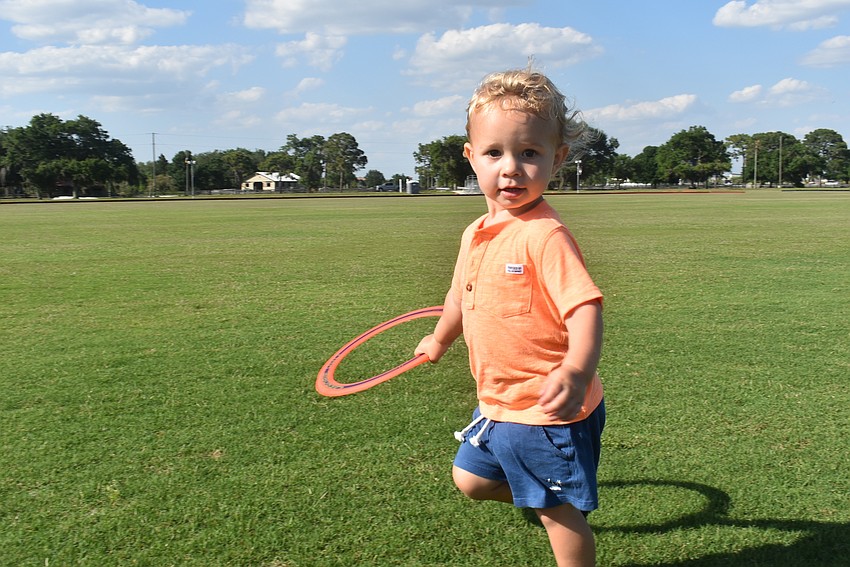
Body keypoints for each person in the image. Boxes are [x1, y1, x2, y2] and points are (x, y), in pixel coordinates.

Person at [415, 68, 605, 567]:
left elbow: (585, 307)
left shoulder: (545, 236)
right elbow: (460, 294)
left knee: (558, 515)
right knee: (472, 480)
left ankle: (554, 503)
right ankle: (537, 491)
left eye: (530, 153)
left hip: (544, 407)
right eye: (495, 152)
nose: (511, 168)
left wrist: (576, 369)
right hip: (497, 400)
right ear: (470, 156)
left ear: (557, 159)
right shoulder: (477, 231)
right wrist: (438, 339)